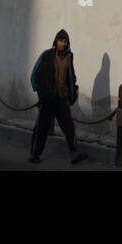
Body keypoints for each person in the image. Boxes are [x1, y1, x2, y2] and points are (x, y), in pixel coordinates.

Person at [28, 29, 87, 164]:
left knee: (69, 127)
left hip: (61, 100)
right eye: (61, 41)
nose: (63, 44)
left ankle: (74, 155)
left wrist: (72, 93)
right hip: (47, 99)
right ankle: (35, 155)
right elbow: (34, 75)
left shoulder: (69, 57)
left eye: (65, 41)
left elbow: (71, 77)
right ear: (56, 41)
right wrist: (41, 94)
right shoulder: (47, 55)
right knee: (42, 128)